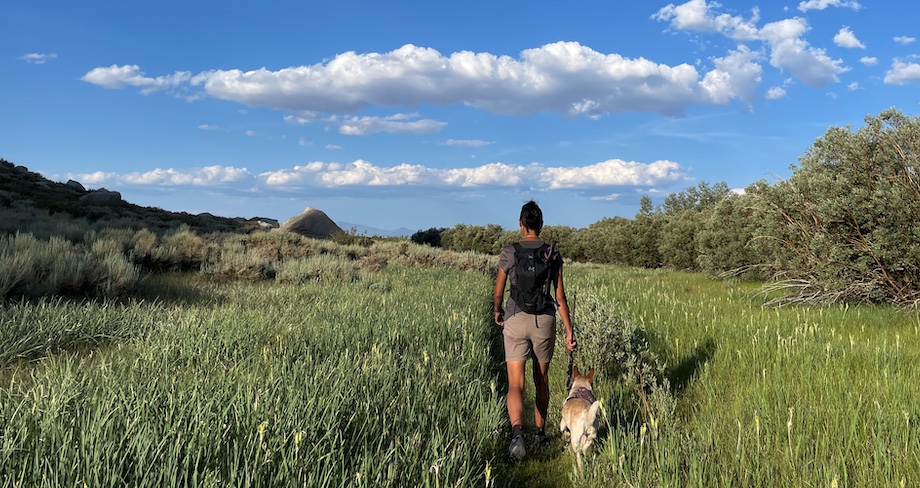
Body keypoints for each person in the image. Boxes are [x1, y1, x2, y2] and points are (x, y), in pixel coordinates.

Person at [493, 200, 576, 461]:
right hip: (544, 321)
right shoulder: (552, 254)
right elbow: (559, 296)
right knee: (541, 379)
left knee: (516, 383)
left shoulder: (510, 251)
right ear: (540, 225)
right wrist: (569, 330)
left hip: (515, 318)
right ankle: (540, 435)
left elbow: (498, 292)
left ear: (520, 223)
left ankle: (517, 434)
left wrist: (498, 311)